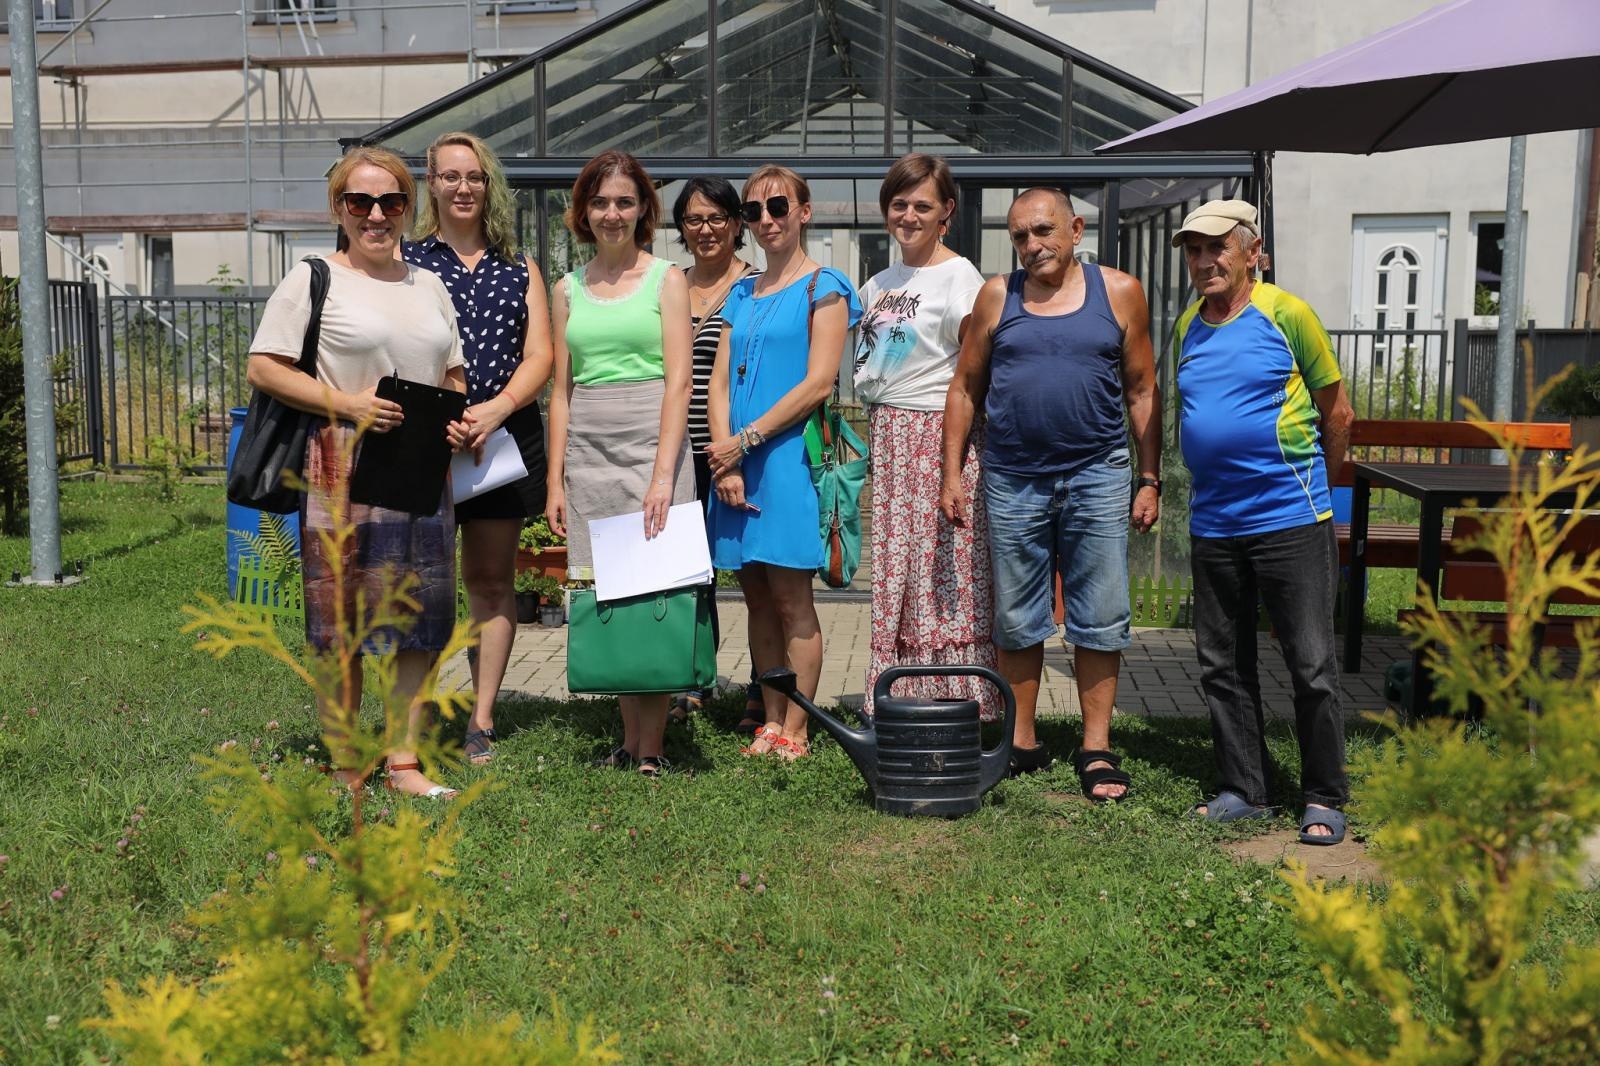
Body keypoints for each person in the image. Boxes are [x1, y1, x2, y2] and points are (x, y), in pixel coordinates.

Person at [247, 145, 469, 798]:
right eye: (361, 202)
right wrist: (347, 404)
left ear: (409, 208)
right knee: (339, 624)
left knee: (417, 621)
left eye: (391, 201)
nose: (377, 214)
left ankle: (402, 763)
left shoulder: (428, 283)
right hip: (342, 467)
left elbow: (453, 373)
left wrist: (457, 419)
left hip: (420, 472)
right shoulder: (313, 276)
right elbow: (264, 366)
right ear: (339, 209)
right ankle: (347, 763)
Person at [941, 188, 1161, 802]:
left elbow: (1142, 390)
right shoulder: (996, 295)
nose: (1032, 246)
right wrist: (951, 473)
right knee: (1017, 619)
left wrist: (1149, 478)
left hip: (1097, 474)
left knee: (1101, 616)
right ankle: (1022, 742)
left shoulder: (1119, 292)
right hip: (1012, 478)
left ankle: (1095, 749)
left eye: (1043, 231)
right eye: (1019, 237)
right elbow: (964, 388)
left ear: (1076, 228)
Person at [1171, 199, 1354, 844]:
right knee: (1222, 663)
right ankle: (1245, 788)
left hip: (1290, 517)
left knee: (1309, 662)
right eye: (1193, 250)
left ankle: (1325, 797)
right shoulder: (1188, 324)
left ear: (1253, 251)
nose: (1203, 261)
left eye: (1216, 247)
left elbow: (1338, 413)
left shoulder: (1287, 313)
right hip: (1214, 522)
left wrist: (1316, 494)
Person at [403, 131, 553, 766]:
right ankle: (412, 715)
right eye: (450, 176)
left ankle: (481, 718)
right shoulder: (406, 264)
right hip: (425, 442)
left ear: (489, 186)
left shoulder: (519, 267)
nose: (463, 187)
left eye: (475, 177)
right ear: (431, 185)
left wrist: (492, 411)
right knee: (418, 583)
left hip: (503, 441)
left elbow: (542, 355)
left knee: (491, 582)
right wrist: (448, 418)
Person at [546, 149, 695, 777]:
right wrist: (554, 478)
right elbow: (561, 390)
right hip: (589, 453)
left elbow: (680, 381)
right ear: (584, 211)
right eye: (601, 202)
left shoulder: (668, 279)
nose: (612, 213)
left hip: (653, 448)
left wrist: (663, 475)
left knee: (652, 591)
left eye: (624, 202)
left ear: (643, 210)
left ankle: (653, 748)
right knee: (602, 591)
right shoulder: (565, 288)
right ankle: (629, 740)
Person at [706, 165, 862, 759]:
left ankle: (797, 726)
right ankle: (770, 718)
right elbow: (717, 382)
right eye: (754, 211)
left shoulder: (825, 286)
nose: (765, 220)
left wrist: (742, 444)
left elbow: (819, 382)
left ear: (804, 212)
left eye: (777, 207)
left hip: (788, 459)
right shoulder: (740, 293)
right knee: (756, 598)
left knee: (793, 598)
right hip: (737, 464)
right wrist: (725, 461)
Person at [854, 154, 998, 719]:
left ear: (947, 213)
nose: (908, 215)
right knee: (899, 565)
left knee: (943, 563)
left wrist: (953, 461)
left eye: (922, 205)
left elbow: (977, 364)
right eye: (899, 204)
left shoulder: (961, 277)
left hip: (935, 431)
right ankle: (900, 688)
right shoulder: (879, 282)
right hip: (890, 432)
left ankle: (955, 693)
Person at [669, 177, 760, 730]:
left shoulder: (755, 286)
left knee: (753, 575)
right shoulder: (669, 285)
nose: (705, 230)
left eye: (716, 218)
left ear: (736, 223)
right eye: (693, 220)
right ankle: (693, 680)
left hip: (737, 449)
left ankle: (761, 684)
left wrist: (740, 449)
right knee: (687, 575)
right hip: (679, 454)